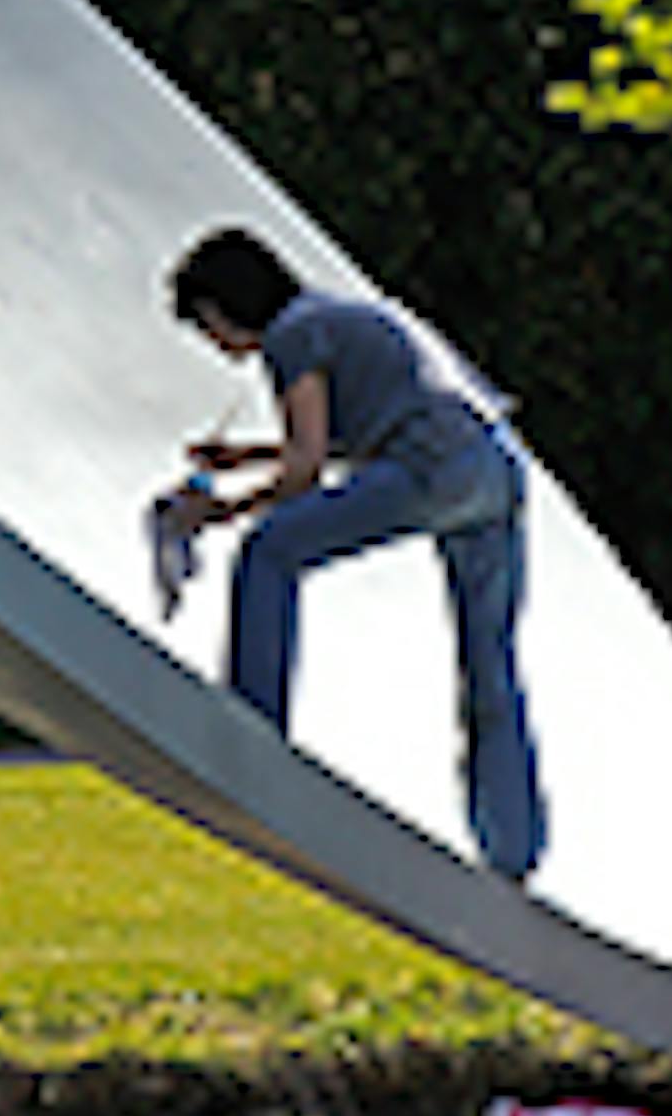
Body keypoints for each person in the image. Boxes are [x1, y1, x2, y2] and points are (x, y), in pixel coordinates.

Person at [159, 224, 546, 882]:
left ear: (226, 306)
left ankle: (253, 746)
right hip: (494, 470)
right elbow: (352, 431)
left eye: (206, 324)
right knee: (489, 666)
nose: (213, 342)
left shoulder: (289, 337)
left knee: (270, 552)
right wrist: (247, 457)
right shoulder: (338, 315)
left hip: (431, 468)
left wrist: (219, 511)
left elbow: (307, 468)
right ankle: (513, 850)